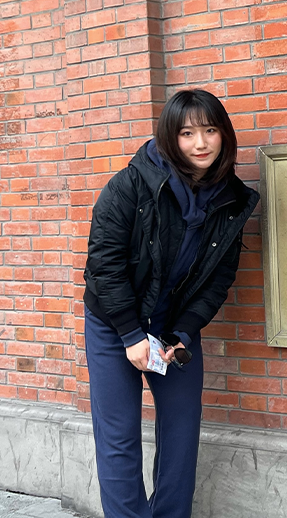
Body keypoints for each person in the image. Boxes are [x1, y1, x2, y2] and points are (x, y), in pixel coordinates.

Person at [82, 89, 259, 518]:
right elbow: (102, 265)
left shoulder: (232, 200)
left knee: (182, 432)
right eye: (187, 133)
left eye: (210, 130)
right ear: (169, 138)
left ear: (224, 135)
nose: (200, 143)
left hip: (173, 329)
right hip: (114, 322)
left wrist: (182, 334)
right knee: (119, 435)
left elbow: (218, 279)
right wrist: (128, 333)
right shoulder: (130, 185)